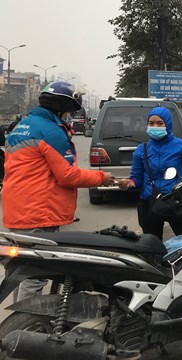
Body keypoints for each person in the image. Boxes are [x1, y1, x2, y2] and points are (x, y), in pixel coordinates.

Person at [2, 81, 115, 302]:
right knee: (35, 275)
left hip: (16, 209)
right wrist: (103, 177)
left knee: (19, 271)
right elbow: (68, 176)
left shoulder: (22, 126)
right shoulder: (51, 131)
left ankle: (17, 320)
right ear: (62, 108)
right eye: (70, 112)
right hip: (38, 213)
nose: (70, 117)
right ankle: (23, 325)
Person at [119, 107, 182, 240]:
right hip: (149, 204)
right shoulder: (142, 150)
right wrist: (129, 183)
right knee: (151, 245)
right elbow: (136, 178)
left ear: (167, 124)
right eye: (151, 123)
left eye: (159, 123)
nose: (155, 126)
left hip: (177, 203)